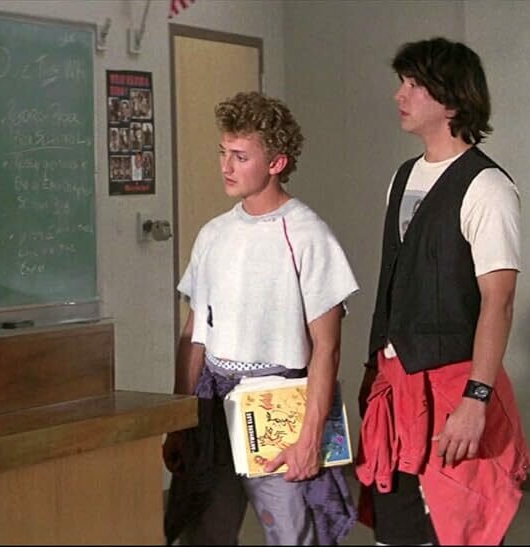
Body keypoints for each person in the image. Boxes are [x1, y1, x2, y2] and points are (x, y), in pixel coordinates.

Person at [355, 37, 530, 546]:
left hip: (455, 390)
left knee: (457, 530)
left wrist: (477, 400)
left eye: (413, 85)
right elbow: (396, 282)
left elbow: (498, 302)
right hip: (395, 390)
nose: (399, 95)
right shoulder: (402, 177)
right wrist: (373, 371)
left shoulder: (488, 188)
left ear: (451, 100)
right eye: (402, 83)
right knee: (396, 532)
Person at [162, 91, 358, 545]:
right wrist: (177, 421)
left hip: (279, 407)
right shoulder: (213, 235)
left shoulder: (308, 236)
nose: (226, 166)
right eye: (223, 153)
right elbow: (195, 335)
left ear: (276, 162)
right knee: (205, 533)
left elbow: (327, 347)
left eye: (240, 156)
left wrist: (310, 437)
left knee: (292, 536)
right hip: (212, 404)